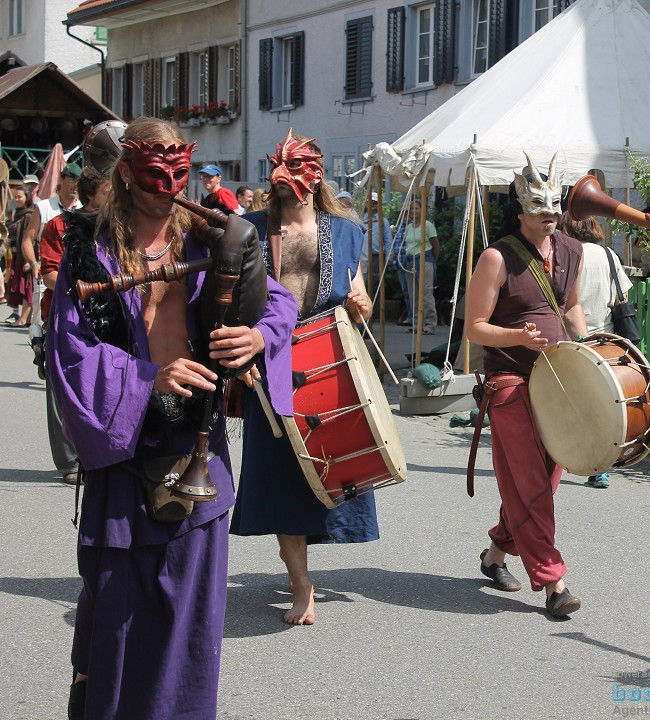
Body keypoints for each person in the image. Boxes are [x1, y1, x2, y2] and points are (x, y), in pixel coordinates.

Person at [49, 117, 296, 720]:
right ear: (127, 174)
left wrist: (256, 335)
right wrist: (145, 377)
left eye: (178, 175)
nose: (168, 188)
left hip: (197, 451)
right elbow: (68, 349)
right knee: (115, 622)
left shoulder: (215, 238)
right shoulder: (89, 248)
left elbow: (282, 301)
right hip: (123, 450)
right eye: (155, 176)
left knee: (187, 631)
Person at [230, 128, 378, 626]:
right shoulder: (248, 230)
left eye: (295, 171)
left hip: (329, 358)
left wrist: (362, 304)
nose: (283, 180)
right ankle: (300, 583)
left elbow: (359, 299)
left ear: (314, 178)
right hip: (267, 362)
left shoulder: (344, 231)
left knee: (331, 469)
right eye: (279, 170)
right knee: (278, 481)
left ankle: (307, 570)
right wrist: (242, 358)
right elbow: (229, 303)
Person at [465, 153, 587, 617]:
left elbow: (572, 309)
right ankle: (554, 582)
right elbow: (475, 327)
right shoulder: (497, 256)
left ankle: (496, 552)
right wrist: (516, 336)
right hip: (509, 380)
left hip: (559, 378)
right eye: (538, 206)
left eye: (553, 205)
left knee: (546, 478)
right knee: (531, 480)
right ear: (520, 210)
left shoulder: (573, 252)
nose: (548, 213)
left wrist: (588, 341)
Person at [36, 171, 109, 486]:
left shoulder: (118, 226)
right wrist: (84, 287)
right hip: (65, 314)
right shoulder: (60, 225)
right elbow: (49, 274)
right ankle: (69, 461)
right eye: (110, 190)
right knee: (62, 389)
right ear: (92, 194)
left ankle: (103, 454)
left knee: (104, 385)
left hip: (107, 315)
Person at [560, 213, 633, 489]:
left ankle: (560, 457)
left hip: (570, 340)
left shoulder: (567, 254)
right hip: (604, 341)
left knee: (566, 403)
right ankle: (601, 468)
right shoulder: (609, 255)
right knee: (603, 406)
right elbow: (620, 298)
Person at [24, 162, 82, 373]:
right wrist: (33, 263)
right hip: (46, 268)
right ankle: (40, 348)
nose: (75, 184)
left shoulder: (84, 208)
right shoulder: (44, 207)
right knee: (40, 314)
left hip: (69, 271)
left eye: (78, 180)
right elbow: (27, 240)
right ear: (62, 180)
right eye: (72, 179)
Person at [403, 197, 439, 334]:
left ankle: (429, 324)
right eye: (411, 209)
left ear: (422, 210)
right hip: (410, 262)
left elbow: (436, 244)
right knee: (413, 295)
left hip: (424, 260)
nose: (413, 211)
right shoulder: (408, 227)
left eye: (416, 208)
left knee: (426, 293)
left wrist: (433, 261)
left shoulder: (428, 225)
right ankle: (417, 323)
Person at [4, 184, 33, 326]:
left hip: (25, 256)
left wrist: (31, 259)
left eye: (19, 196)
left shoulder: (29, 215)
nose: (16, 199)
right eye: (15, 196)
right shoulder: (18, 213)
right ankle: (23, 317)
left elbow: (32, 239)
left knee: (27, 287)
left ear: (27, 197)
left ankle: (23, 318)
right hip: (17, 255)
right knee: (19, 285)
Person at [359, 191, 393, 283]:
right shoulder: (360, 219)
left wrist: (389, 256)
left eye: (375, 202)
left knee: (375, 281)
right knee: (362, 279)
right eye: (370, 202)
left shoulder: (382, 221)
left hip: (377, 256)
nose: (372, 204)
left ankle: (374, 298)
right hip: (362, 254)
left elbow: (388, 239)